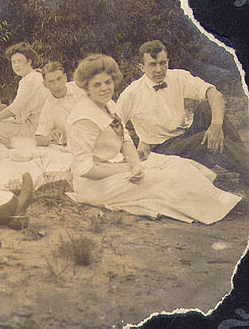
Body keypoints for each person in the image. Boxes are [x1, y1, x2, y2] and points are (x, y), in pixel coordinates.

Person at [66, 54, 242, 224]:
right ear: (86, 88)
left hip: (118, 168)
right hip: (96, 184)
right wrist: (128, 168)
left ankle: (220, 201)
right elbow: (86, 168)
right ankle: (220, 209)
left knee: (179, 165)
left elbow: (125, 140)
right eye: (97, 85)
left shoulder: (109, 105)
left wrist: (135, 165)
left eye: (108, 82)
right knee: (165, 178)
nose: (105, 88)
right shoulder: (83, 118)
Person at [117, 40, 249, 185]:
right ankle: (245, 167)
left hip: (186, 136)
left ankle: (244, 168)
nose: (159, 70)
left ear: (168, 61)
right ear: (142, 67)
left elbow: (214, 94)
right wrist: (132, 153)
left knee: (207, 108)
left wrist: (216, 126)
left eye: (162, 63)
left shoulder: (178, 77)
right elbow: (115, 125)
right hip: (163, 149)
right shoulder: (132, 93)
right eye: (152, 65)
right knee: (207, 140)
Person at [0, 42, 50, 147]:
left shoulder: (28, 80)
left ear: (29, 62)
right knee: (3, 121)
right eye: (13, 62)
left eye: (19, 61)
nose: (16, 65)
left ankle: (20, 145)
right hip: (41, 125)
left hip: (34, 128)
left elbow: (15, 109)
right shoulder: (36, 75)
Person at [35, 61, 86, 147]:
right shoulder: (49, 106)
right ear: (45, 85)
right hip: (76, 147)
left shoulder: (81, 89)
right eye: (51, 81)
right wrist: (50, 137)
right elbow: (39, 137)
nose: (57, 85)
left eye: (59, 79)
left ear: (65, 77)